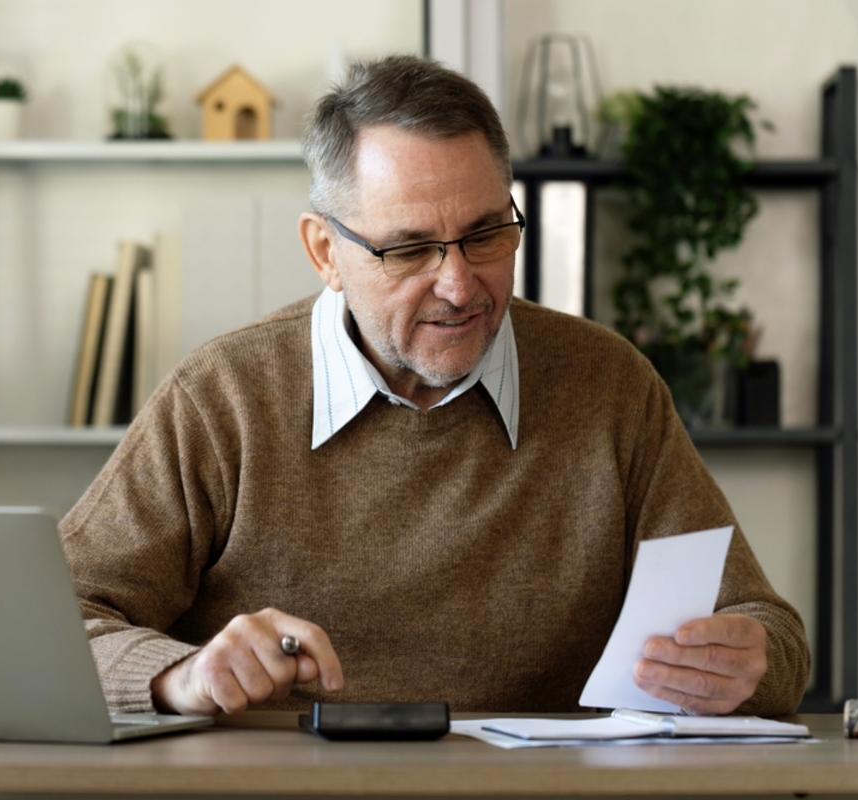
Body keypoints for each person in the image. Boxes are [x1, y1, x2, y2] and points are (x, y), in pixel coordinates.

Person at [59, 55, 810, 718]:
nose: (459, 285)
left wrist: (748, 663)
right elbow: (55, 627)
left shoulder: (609, 387)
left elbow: (768, 632)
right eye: (411, 248)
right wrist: (180, 675)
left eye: (486, 234)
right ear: (325, 250)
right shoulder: (221, 397)